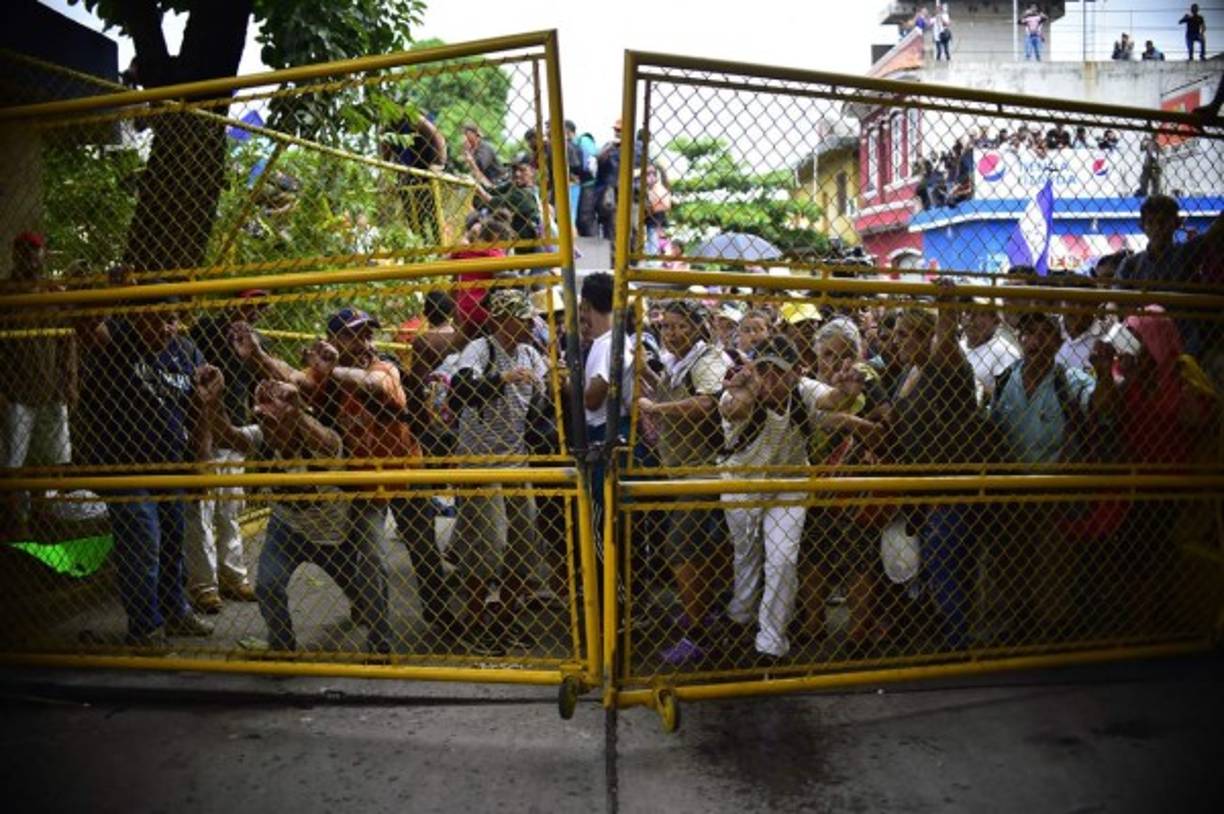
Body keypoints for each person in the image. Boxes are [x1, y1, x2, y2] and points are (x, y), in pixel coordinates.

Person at [196, 369, 393, 653]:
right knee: (268, 585)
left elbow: (326, 441)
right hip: (288, 529)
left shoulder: (321, 440)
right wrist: (213, 402)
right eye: (264, 421)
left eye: (277, 423)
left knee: (367, 585)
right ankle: (283, 647)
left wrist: (295, 411)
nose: (270, 429)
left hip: (336, 534)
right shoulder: (264, 437)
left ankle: (380, 644)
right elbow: (229, 436)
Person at [718, 335, 873, 660]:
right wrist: (747, 388)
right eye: (764, 370)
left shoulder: (802, 390)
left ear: (794, 373)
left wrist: (845, 392)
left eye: (780, 372)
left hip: (788, 482)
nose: (772, 380)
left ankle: (770, 642)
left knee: (783, 559)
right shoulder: (736, 392)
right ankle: (741, 616)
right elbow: (736, 411)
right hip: (742, 484)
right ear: (753, 370)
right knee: (746, 559)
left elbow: (830, 399)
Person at [76, 289, 214, 645]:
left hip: (170, 464)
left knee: (172, 543)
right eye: (156, 319)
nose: (167, 328)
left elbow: (200, 408)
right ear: (138, 317)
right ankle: (145, 626)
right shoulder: (120, 334)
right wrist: (111, 294)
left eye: (172, 320)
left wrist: (201, 462)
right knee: (143, 541)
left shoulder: (186, 351)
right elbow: (87, 326)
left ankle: (176, 612)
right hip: (124, 465)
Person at [986, 312, 1117, 640]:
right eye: (1030, 333)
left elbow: (1100, 407)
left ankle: (1051, 634)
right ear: (1020, 339)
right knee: (1009, 562)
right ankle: (1017, 626)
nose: (1038, 341)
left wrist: (1103, 374)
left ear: (1058, 343)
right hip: (1011, 493)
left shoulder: (1067, 379)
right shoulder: (1005, 379)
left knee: (1051, 567)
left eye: (1046, 335)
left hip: (1052, 492)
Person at [446, 290, 551, 655]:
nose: (529, 324)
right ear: (502, 320)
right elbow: (458, 391)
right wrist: (503, 378)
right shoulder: (481, 349)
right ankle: (474, 624)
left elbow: (542, 404)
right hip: (478, 461)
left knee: (523, 545)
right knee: (488, 545)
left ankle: (505, 621)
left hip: (515, 459)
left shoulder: (533, 354)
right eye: (522, 318)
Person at [880, 294, 979, 649]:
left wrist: (946, 319)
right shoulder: (910, 371)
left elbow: (947, 345)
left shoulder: (946, 365)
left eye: (906, 334)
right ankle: (933, 637)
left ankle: (956, 643)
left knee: (943, 564)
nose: (897, 341)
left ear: (926, 337)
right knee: (922, 566)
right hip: (918, 485)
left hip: (948, 485)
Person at [635, 300, 731, 664]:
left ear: (698, 326)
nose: (672, 333)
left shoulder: (707, 360)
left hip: (702, 469)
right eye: (666, 327)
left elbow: (708, 403)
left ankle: (697, 632)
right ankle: (703, 612)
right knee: (699, 548)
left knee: (681, 549)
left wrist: (656, 410)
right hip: (682, 469)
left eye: (679, 326)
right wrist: (647, 377)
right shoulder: (679, 362)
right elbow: (675, 393)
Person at [182, 290, 268, 613]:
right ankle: (204, 585)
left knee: (229, 510)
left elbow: (259, 380)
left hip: (234, 431)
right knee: (201, 512)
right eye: (253, 303)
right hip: (204, 430)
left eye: (263, 305)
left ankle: (233, 576)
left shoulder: (253, 339)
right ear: (234, 302)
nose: (259, 310)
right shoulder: (205, 329)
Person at [2, 232, 76, 541]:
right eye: (24, 250)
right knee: (13, 461)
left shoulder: (52, 291)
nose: (30, 256)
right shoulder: (5, 293)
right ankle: (18, 521)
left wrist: (70, 382)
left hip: (51, 388)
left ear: (44, 254)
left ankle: (44, 515)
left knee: (49, 459)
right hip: (15, 389)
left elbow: (67, 340)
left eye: (36, 250)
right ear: (14, 253)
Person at [383, 111, 447, 245]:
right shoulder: (387, 127)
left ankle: (439, 243)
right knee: (413, 214)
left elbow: (439, 138)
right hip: (406, 171)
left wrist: (439, 164)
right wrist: (388, 175)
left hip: (426, 166)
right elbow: (385, 152)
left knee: (432, 211)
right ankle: (420, 244)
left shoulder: (416, 119)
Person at [960, 298, 1021, 406]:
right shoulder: (960, 345)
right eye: (968, 311)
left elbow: (1009, 397)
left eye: (981, 314)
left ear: (996, 321)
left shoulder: (1003, 351)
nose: (971, 319)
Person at [477, 156, 542, 251]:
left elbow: (491, 200)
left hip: (527, 248)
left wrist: (476, 188)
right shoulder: (515, 186)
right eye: (514, 169)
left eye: (522, 170)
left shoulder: (524, 194)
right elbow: (490, 190)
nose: (517, 174)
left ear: (533, 172)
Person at [460, 121, 503, 189]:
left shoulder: (485, 147)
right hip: (483, 182)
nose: (463, 137)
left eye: (466, 133)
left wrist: (468, 152)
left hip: (496, 183)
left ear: (474, 134)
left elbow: (479, 166)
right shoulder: (472, 148)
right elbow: (465, 167)